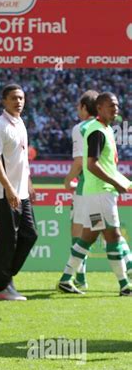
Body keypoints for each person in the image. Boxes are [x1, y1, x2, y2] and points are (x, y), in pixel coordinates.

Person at [58, 92, 131, 296]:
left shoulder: (104, 129)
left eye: (116, 105)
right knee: (113, 236)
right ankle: (125, 284)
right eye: (110, 105)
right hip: (100, 194)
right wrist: (116, 182)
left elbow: (107, 165)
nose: (115, 109)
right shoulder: (97, 131)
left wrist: (123, 182)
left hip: (96, 193)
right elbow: (92, 165)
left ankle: (66, 278)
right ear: (99, 108)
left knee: (88, 236)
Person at [0, 84, 38, 301]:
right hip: (4, 193)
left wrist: (28, 183)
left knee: (30, 235)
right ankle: (1, 287)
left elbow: (22, 159)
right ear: (4, 101)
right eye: (14, 98)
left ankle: (3, 277)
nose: (19, 102)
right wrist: (9, 188)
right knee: (7, 239)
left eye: (21, 98)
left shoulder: (20, 124)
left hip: (21, 193)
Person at [62, 90, 99, 291]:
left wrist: (68, 180)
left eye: (79, 106)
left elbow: (79, 162)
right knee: (101, 232)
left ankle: (77, 277)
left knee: (78, 233)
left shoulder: (81, 128)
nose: (77, 109)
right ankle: (80, 278)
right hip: (103, 189)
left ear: (85, 107)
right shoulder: (104, 127)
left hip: (85, 189)